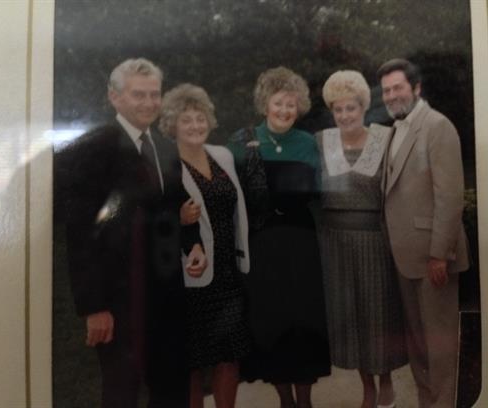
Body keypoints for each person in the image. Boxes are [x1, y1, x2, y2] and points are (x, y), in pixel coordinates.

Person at [54, 58, 207, 408]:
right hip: (121, 296)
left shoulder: (165, 148)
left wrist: (194, 244)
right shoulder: (95, 148)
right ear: (115, 96)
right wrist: (94, 307)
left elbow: (180, 205)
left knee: (170, 384)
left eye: (155, 94)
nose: (149, 103)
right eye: (139, 95)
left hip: (166, 291)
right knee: (122, 388)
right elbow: (81, 231)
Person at [228, 66, 330, 408]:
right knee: (271, 321)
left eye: (291, 104)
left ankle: (306, 401)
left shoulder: (308, 143)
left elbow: (321, 192)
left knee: (305, 321)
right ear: (265, 104)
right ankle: (285, 399)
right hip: (262, 244)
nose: (285, 110)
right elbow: (226, 196)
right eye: (278, 103)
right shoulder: (241, 142)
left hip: (301, 243)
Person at [377, 58, 470, 407]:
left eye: (398, 87)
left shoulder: (437, 126)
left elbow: (450, 197)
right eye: (386, 90)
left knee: (439, 349)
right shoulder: (394, 130)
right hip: (405, 257)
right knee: (418, 348)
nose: (391, 95)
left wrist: (439, 254)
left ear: (416, 88)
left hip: (433, 259)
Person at [316, 70, 407, 408]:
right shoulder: (322, 141)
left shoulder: (385, 137)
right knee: (350, 317)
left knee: (378, 313)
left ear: (364, 107)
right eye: (338, 109)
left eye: (350, 108)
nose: (344, 116)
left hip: (375, 241)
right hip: (335, 244)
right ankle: (367, 386)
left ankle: (386, 381)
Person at [159, 83, 251, 408]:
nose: (195, 126)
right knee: (193, 361)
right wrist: (177, 218)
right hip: (192, 276)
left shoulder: (222, 156)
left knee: (229, 354)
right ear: (172, 125)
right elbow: (151, 220)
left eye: (200, 118)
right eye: (186, 120)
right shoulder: (166, 165)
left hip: (228, 271)